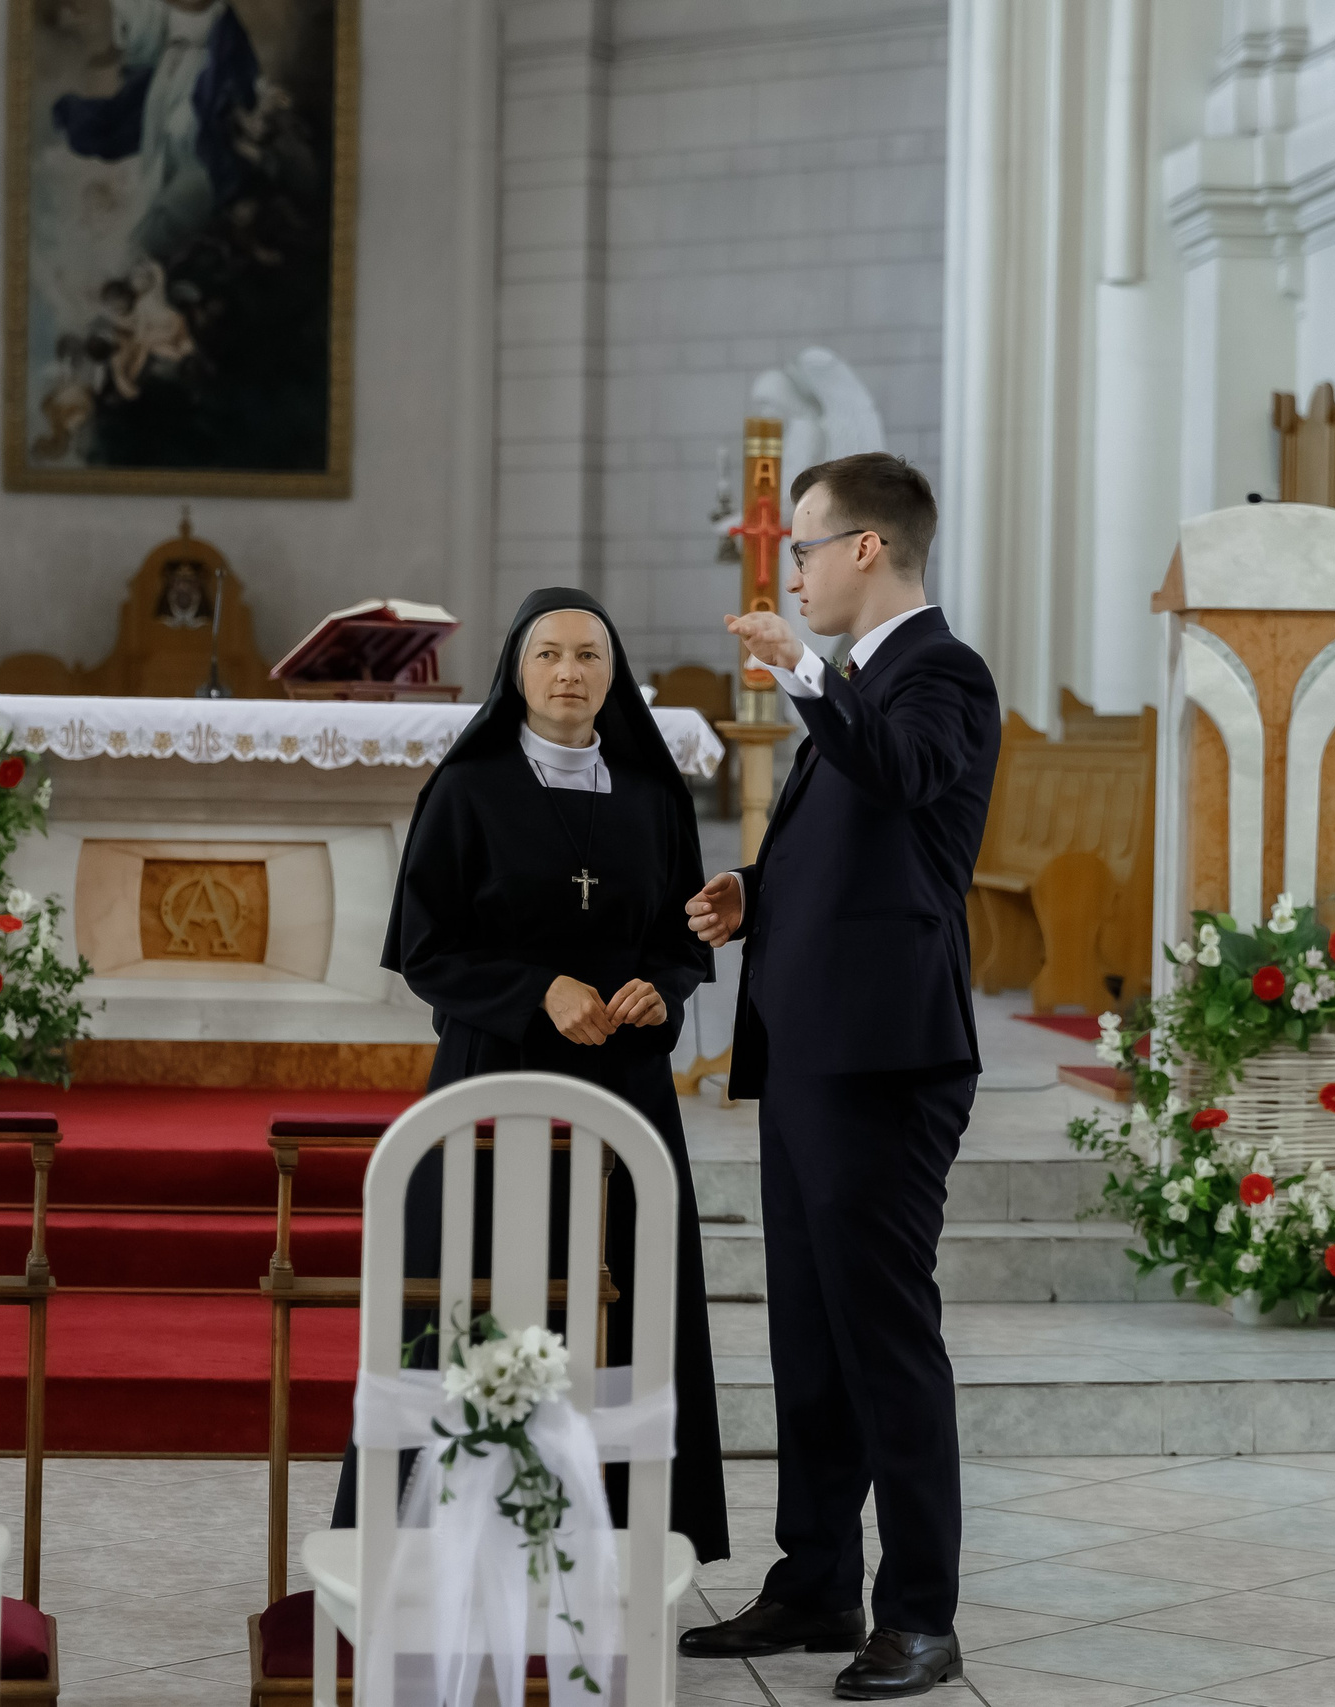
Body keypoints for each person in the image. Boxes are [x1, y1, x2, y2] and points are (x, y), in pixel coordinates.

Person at [678, 453, 998, 1698]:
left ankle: (919, 1611)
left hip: (885, 1059)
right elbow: (871, 852)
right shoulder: (864, 683)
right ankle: (814, 1579)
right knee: (810, 1339)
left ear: (867, 548)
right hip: (815, 1048)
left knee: (881, 1337)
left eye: (802, 548)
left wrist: (803, 674)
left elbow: (909, 780)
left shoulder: (938, 675)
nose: (792, 572)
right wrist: (753, 895)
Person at [328, 588, 731, 1563]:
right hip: (492, 1080)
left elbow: (682, 941)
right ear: (516, 669)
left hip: (624, 1092)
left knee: (625, 1302)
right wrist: (535, 991)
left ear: (612, 673)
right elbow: (425, 949)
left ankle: (625, 1549)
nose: (568, 673)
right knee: (475, 1293)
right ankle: (436, 1541)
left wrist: (658, 993)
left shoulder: (649, 793)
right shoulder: (467, 791)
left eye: (589, 655)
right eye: (548, 654)